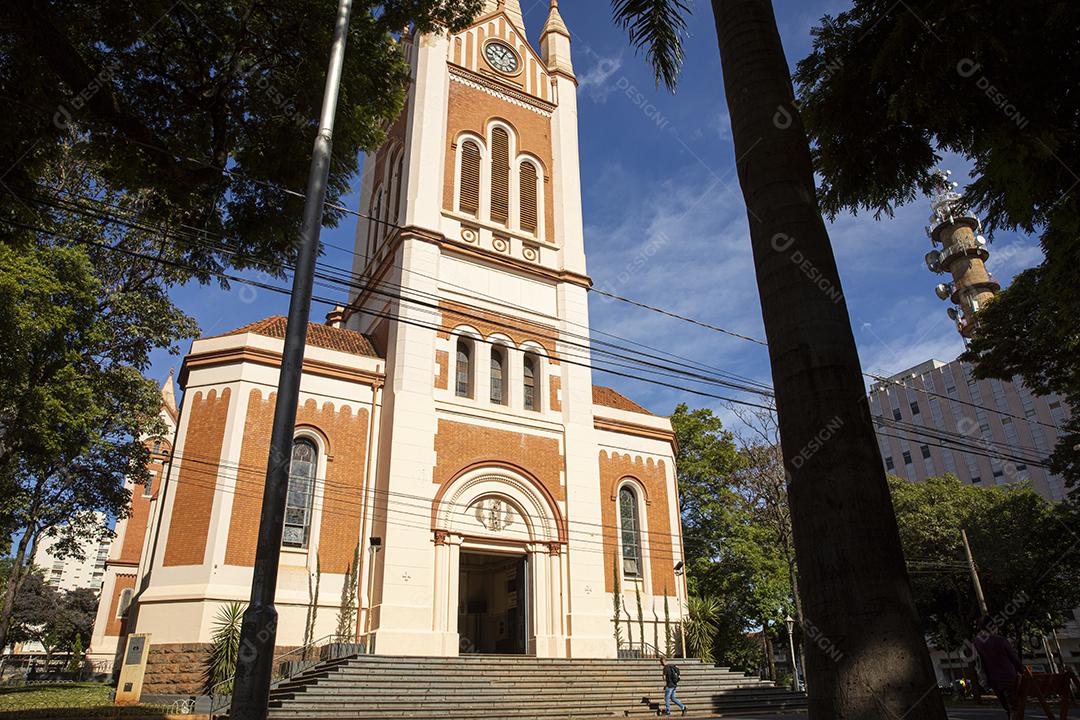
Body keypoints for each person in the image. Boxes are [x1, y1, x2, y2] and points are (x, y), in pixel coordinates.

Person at [973, 615, 1023, 717]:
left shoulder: (978, 642)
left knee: (1007, 708)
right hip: (1009, 677)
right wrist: (1022, 670)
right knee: (1014, 708)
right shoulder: (1001, 640)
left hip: (993, 680)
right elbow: (1013, 659)